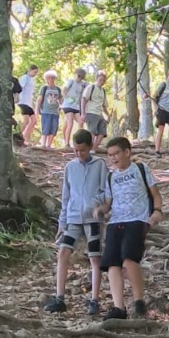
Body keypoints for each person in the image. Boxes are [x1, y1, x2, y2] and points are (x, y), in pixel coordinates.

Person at [44, 129, 108, 317]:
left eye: (83, 150)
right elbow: (66, 196)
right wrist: (62, 222)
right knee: (63, 252)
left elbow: (105, 190)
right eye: (76, 150)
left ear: (90, 147)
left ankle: (94, 299)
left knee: (94, 257)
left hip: (92, 219)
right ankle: (59, 297)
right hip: (73, 218)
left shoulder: (100, 165)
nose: (79, 154)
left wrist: (97, 205)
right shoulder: (70, 167)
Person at [100, 136, 163, 319]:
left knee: (129, 259)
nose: (113, 158)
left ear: (127, 152)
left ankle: (138, 300)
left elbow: (156, 194)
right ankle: (118, 307)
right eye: (110, 155)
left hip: (137, 220)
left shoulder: (140, 169)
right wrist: (101, 210)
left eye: (116, 153)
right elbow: (108, 202)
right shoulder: (111, 177)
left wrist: (157, 211)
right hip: (115, 222)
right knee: (112, 264)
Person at [81, 70, 109, 148]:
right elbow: (83, 99)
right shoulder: (91, 87)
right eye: (100, 80)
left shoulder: (103, 91)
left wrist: (108, 115)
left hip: (100, 114)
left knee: (102, 133)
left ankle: (93, 148)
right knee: (92, 132)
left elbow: (104, 105)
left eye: (103, 80)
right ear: (96, 78)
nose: (102, 82)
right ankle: (88, 148)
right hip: (91, 112)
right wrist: (83, 113)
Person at [61, 68, 87, 148]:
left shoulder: (82, 84)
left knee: (81, 122)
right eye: (78, 76)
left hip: (76, 106)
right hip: (68, 105)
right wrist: (67, 98)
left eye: (81, 77)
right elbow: (64, 90)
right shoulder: (71, 81)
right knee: (70, 123)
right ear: (75, 75)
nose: (79, 78)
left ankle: (80, 141)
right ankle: (67, 143)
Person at [37, 71, 62, 148]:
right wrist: (37, 109)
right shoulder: (44, 88)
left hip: (55, 112)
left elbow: (61, 99)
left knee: (54, 128)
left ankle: (49, 145)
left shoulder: (58, 89)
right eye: (48, 78)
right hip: (46, 111)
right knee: (46, 127)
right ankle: (43, 144)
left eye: (52, 78)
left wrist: (60, 108)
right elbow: (39, 99)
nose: (50, 80)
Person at [18, 65, 40, 143]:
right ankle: (18, 136)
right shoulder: (25, 77)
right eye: (34, 72)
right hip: (23, 102)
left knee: (33, 121)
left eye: (36, 73)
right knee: (26, 121)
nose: (35, 74)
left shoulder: (31, 80)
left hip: (29, 103)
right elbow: (20, 88)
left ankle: (25, 136)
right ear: (29, 70)